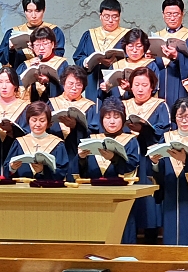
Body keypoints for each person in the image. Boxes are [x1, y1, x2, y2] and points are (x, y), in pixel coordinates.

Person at [71, 97, 140, 243]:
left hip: (120, 197)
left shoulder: (130, 141)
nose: (112, 121)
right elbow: (79, 171)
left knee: (121, 235)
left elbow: (131, 166)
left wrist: (114, 158)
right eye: (107, 117)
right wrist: (81, 158)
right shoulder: (91, 139)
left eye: (116, 117)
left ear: (123, 119)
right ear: (101, 119)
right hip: (94, 197)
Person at [150, 97, 188, 246]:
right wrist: (155, 162)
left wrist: (186, 160)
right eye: (180, 116)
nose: (184, 121)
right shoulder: (166, 138)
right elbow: (160, 171)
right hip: (171, 194)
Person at [123, 67, 171, 244]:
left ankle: (151, 242)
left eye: (144, 85)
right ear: (130, 86)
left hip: (148, 158)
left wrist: (144, 130)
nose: (140, 89)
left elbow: (165, 132)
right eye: (136, 85)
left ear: (152, 87)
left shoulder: (160, 105)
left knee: (149, 201)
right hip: (128, 158)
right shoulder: (123, 105)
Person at [73, 0, 130, 102]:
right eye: (106, 16)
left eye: (114, 17)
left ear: (119, 17)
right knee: (94, 108)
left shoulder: (127, 36)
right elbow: (78, 57)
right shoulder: (90, 35)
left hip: (117, 86)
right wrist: (87, 62)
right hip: (93, 81)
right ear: (100, 16)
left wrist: (117, 61)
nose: (110, 20)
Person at [154, 0, 188, 109]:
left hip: (179, 82)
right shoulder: (156, 36)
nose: (172, 18)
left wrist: (177, 56)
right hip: (160, 80)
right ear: (163, 15)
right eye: (168, 14)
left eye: (176, 14)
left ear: (182, 14)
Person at [0, 0, 66, 68]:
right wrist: (10, 49)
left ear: (44, 10)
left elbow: (58, 57)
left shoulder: (54, 31)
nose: (33, 16)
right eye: (29, 11)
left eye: (37, 11)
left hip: (45, 72)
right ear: (24, 11)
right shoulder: (12, 32)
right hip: (19, 72)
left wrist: (36, 49)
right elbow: (3, 60)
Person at [47, 66, 101, 160]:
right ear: (63, 83)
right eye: (70, 83)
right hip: (53, 150)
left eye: (79, 84)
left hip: (77, 153)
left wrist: (76, 127)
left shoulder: (90, 106)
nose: (74, 88)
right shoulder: (51, 103)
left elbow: (93, 134)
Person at [5, 101, 69, 180]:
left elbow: (62, 172)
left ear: (48, 122)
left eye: (42, 121)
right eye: (34, 120)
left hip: (46, 186)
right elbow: (6, 170)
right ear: (28, 121)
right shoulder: (19, 142)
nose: (38, 124)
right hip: (21, 186)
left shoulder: (57, 144)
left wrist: (43, 171)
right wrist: (12, 168)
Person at [100, 28, 163, 100]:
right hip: (115, 105)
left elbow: (154, 90)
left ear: (145, 47)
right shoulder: (115, 65)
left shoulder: (150, 65)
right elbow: (105, 95)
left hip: (141, 105)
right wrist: (104, 89)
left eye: (139, 46)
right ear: (125, 46)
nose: (134, 50)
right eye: (130, 46)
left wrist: (131, 89)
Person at [16, 26, 70, 102]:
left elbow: (66, 90)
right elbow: (17, 92)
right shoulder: (25, 66)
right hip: (32, 106)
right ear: (32, 47)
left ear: (53, 44)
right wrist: (29, 71)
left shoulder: (61, 64)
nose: (41, 48)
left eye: (45, 43)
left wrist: (49, 82)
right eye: (37, 44)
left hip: (53, 106)